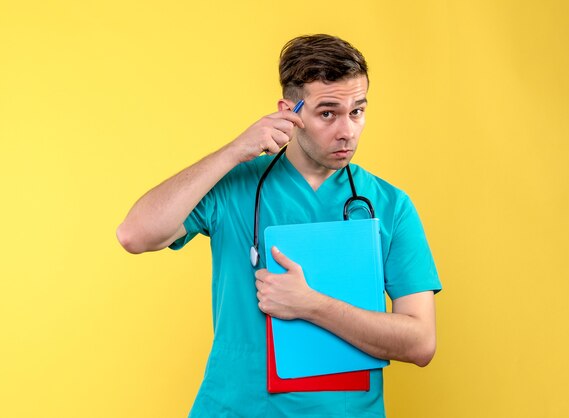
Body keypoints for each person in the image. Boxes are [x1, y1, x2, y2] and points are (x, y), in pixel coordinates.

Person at [117, 34, 442, 417]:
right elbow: (134, 235)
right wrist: (234, 151)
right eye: (327, 113)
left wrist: (312, 305)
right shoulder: (234, 186)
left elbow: (420, 342)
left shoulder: (389, 206)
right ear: (290, 111)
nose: (347, 131)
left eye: (357, 111)